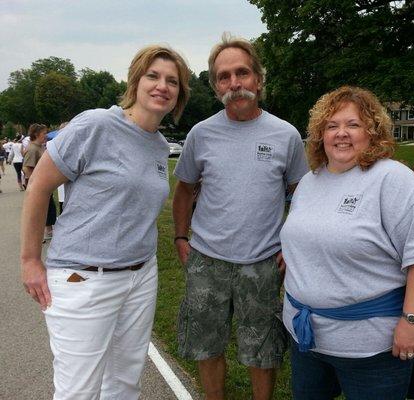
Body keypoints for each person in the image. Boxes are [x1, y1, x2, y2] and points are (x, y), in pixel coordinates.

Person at [20, 44, 190, 400]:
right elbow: (38, 186)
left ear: (179, 93)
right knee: (78, 391)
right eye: (153, 76)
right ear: (135, 81)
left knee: (125, 384)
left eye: (172, 81)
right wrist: (30, 260)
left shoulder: (159, 146)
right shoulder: (96, 124)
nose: (162, 86)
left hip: (141, 276)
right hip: (83, 277)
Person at [280, 86, 414, 400]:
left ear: (373, 132)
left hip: (370, 346)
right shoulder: (311, 181)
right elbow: (310, 231)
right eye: (332, 126)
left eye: (353, 125)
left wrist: (412, 322)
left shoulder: (393, 179)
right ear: (320, 134)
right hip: (306, 339)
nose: (341, 134)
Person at [172, 33, 308, 400]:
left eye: (242, 73)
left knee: (262, 347)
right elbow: (185, 189)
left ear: (258, 79)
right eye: (224, 76)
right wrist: (181, 237)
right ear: (216, 85)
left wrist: (292, 246)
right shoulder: (201, 134)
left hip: (262, 262)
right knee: (206, 343)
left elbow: (304, 195)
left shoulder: (286, 135)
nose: (235, 83)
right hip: (206, 259)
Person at [22, 123, 56, 241]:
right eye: (44, 133)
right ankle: (37, 236)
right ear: (36, 134)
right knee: (38, 212)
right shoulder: (32, 149)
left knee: (48, 209)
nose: (46, 135)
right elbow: (26, 168)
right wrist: (36, 184)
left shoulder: (39, 147)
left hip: (44, 186)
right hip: (38, 187)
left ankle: (49, 231)